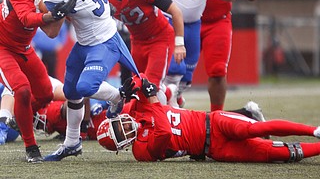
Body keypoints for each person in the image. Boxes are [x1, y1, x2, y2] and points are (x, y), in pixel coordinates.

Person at [28, 0, 140, 162]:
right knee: (71, 92)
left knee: (86, 86)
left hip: (104, 41)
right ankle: (71, 142)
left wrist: (54, 13)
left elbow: (50, 32)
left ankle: (117, 96)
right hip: (85, 41)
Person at [97, 75, 320, 163]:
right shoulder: (141, 151)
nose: (124, 129)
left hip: (212, 122)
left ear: (119, 118)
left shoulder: (134, 108)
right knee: (274, 153)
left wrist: (134, 86)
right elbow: (163, 131)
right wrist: (153, 98)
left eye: (119, 126)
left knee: (253, 129)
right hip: (213, 149)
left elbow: (142, 79)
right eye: (120, 135)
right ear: (121, 146)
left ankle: (314, 131)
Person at [0, 0, 76, 162]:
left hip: (23, 47)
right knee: (22, 90)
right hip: (3, 47)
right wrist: (51, 16)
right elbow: (26, 17)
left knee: (43, 93)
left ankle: (19, 117)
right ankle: (31, 147)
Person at [97, 0, 186, 106]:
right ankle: (170, 92)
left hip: (159, 37)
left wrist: (179, 44)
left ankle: (161, 125)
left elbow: (176, 11)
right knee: (136, 86)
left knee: (150, 87)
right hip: (137, 41)